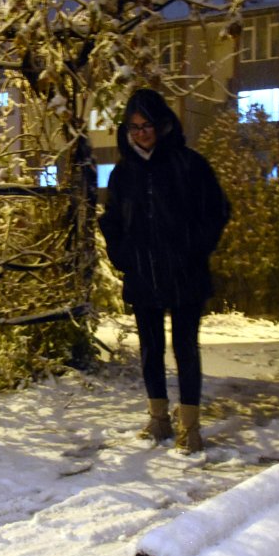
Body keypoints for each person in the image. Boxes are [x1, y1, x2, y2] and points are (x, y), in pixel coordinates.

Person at [98, 88, 230, 454]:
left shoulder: (189, 164)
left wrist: (194, 248)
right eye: (134, 127)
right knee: (150, 350)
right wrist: (122, 255)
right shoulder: (123, 173)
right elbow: (111, 220)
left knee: (185, 348)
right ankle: (158, 418)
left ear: (162, 126)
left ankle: (190, 425)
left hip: (185, 274)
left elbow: (217, 211)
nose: (140, 133)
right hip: (143, 274)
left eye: (147, 126)